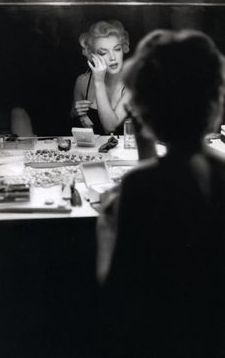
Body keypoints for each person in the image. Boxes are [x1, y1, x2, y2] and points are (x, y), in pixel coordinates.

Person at [98, 30, 225, 358]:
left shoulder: (140, 185)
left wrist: (107, 226)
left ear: (142, 108)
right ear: (215, 99)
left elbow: (114, 289)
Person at [71, 20, 130, 134]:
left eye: (117, 49)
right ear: (91, 55)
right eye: (103, 52)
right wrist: (79, 115)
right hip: (94, 151)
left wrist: (99, 82)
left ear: (123, 49)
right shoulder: (82, 82)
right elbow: (74, 117)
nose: (112, 57)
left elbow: (110, 128)